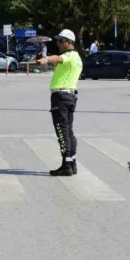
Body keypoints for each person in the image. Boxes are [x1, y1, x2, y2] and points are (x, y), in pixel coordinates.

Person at [36, 29, 83, 176]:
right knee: (68, 130)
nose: (58, 43)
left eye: (61, 41)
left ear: (70, 43)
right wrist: (45, 61)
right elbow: (58, 63)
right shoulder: (72, 58)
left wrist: (47, 59)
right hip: (68, 96)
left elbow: (58, 58)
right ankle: (72, 163)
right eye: (58, 41)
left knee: (62, 131)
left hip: (61, 97)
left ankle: (66, 166)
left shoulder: (70, 55)